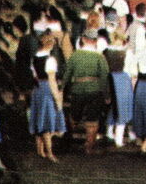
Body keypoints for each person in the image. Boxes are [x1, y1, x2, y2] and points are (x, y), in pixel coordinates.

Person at [61, 30, 111, 154]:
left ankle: (67, 140)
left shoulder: (75, 55)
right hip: (95, 90)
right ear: (95, 41)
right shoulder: (100, 57)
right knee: (92, 120)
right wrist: (106, 95)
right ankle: (89, 147)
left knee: (74, 117)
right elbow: (104, 78)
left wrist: (61, 89)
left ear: (83, 39)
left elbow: (67, 75)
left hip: (77, 90)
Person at [27, 30, 65, 161]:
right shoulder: (50, 60)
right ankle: (49, 153)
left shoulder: (34, 58)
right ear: (50, 44)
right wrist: (57, 97)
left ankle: (40, 150)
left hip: (37, 89)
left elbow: (34, 75)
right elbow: (52, 80)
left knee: (39, 119)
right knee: (48, 121)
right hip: (47, 89)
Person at [104, 30, 134, 147]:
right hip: (122, 80)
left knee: (112, 107)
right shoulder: (127, 53)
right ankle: (119, 139)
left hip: (108, 79)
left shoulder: (105, 52)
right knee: (123, 109)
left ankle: (109, 132)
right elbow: (131, 70)